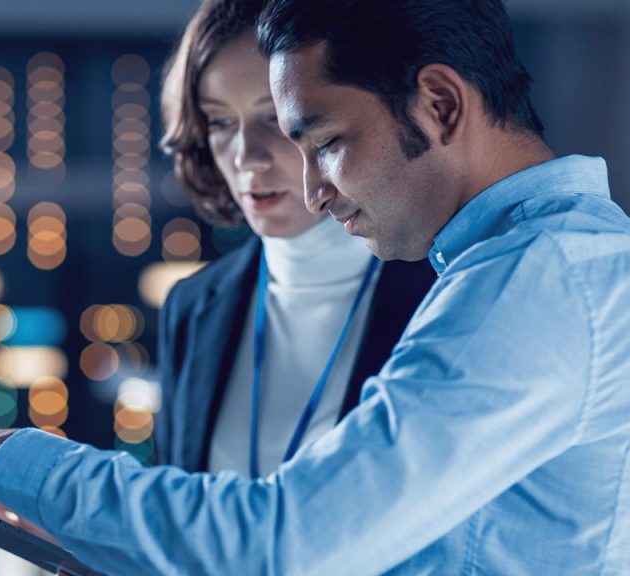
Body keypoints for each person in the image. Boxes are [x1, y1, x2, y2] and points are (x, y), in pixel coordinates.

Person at [0, 0, 630, 574]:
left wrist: (8, 459)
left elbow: (284, 546)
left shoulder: (541, 280)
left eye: (324, 142)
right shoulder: (525, 269)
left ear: (438, 104)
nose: (313, 190)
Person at [153, 0, 432, 477]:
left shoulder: (443, 283)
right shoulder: (192, 305)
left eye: (278, 117)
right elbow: (175, 505)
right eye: (220, 122)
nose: (247, 157)